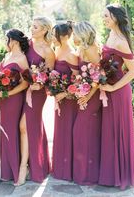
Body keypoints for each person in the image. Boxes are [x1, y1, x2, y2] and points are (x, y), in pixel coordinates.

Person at [98, 4, 134, 189]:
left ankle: (122, 176)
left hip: (119, 90)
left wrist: (113, 88)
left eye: (106, 16)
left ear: (115, 17)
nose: (104, 18)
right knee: (109, 132)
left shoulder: (121, 40)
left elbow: (133, 71)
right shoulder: (110, 34)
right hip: (108, 86)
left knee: (119, 131)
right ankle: (111, 175)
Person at [16, 17, 55, 185]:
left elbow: (50, 76)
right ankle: (39, 162)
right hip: (22, 89)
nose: (32, 29)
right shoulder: (26, 44)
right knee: (32, 126)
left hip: (37, 94)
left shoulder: (48, 51)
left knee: (25, 126)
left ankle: (24, 168)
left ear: (45, 30)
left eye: (36, 27)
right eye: (31, 26)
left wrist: (40, 84)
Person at [0, 29, 29, 183]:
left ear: (14, 41)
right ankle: (6, 171)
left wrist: (8, 94)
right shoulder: (7, 55)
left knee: (11, 131)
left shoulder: (21, 58)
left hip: (14, 99)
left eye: (6, 39)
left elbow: (25, 83)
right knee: (5, 132)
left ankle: (16, 170)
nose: (5, 42)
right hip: (3, 99)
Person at [72, 21, 102, 185]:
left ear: (82, 34)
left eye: (75, 34)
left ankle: (88, 175)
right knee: (84, 132)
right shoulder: (81, 49)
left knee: (81, 131)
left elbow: (99, 76)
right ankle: (85, 173)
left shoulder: (91, 50)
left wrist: (88, 96)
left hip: (93, 96)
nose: (73, 37)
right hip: (85, 95)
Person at [51, 22, 79, 181]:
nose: (52, 38)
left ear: (63, 36)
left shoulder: (70, 53)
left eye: (54, 35)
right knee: (60, 131)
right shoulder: (57, 49)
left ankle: (69, 171)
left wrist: (64, 93)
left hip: (69, 100)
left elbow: (79, 80)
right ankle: (60, 168)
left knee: (68, 132)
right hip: (60, 98)